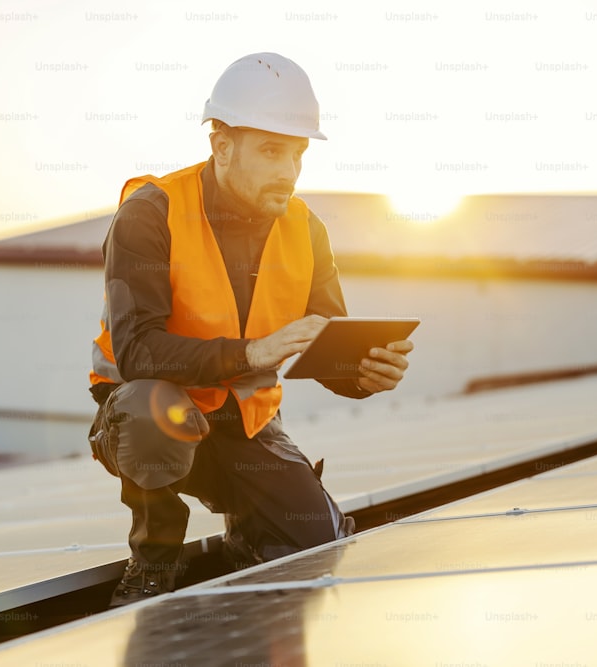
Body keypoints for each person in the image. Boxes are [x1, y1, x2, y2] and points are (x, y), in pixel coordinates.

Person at [87, 52, 414, 607]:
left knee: (316, 541)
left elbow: (325, 343)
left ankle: (249, 530)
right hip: (147, 418)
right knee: (151, 414)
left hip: (244, 423)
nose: (288, 170)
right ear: (221, 146)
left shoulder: (306, 229)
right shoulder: (150, 214)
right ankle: (153, 559)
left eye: (297, 153)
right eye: (270, 151)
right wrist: (253, 350)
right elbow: (138, 351)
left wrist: (364, 374)